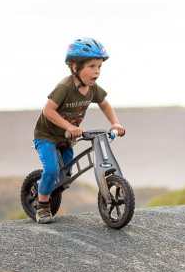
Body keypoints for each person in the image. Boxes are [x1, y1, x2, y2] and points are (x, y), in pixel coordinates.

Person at [32, 37, 126, 224]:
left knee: (65, 175)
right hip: (47, 136)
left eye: (99, 66)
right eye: (91, 66)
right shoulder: (65, 87)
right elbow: (48, 110)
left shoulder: (92, 89)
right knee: (52, 170)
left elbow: (104, 104)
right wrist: (69, 126)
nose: (97, 71)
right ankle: (41, 206)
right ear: (75, 67)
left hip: (67, 138)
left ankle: (51, 190)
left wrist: (115, 123)